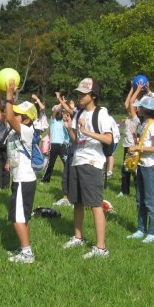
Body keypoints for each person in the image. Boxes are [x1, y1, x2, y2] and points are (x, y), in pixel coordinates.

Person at [62, 78, 113, 259]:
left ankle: (101, 248)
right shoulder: (78, 114)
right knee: (77, 202)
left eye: (83, 94)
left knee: (95, 204)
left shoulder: (102, 114)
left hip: (92, 163)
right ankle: (78, 237)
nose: (79, 96)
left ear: (93, 95)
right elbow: (77, 140)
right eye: (79, 93)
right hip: (77, 160)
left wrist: (87, 132)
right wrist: (69, 128)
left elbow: (108, 139)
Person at [0, 81, 38, 264]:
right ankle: (24, 249)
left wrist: (10, 96)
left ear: (27, 119)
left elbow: (10, 118)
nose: (14, 115)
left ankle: (27, 254)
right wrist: (0, 91)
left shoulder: (27, 131)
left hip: (24, 180)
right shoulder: (14, 130)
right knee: (21, 217)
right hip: (19, 179)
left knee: (16, 218)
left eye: (19, 114)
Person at [126, 96, 154, 243]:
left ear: (146, 110)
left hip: (150, 167)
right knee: (139, 199)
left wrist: (138, 148)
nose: (137, 108)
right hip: (140, 165)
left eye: (139, 107)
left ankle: (153, 232)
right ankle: (141, 229)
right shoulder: (143, 123)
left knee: (149, 200)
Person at [118, 83, 144, 197]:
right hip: (126, 146)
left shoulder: (135, 119)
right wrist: (131, 89)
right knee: (126, 170)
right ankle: (124, 191)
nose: (130, 106)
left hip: (133, 147)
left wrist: (137, 90)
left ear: (137, 109)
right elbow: (126, 103)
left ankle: (139, 192)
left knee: (133, 170)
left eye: (133, 106)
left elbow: (129, 102)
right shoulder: (129, 117)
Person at [41, 100, 69, 184]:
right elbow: (55, 110)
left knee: (67, 163)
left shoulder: (64, 122)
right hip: (54, 145)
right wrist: (62, 102)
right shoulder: (53, 121)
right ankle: (45, 180)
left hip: (63, 145)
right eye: (59, 112)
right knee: (51, 163)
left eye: (62, 112)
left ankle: (69, 179)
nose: (61, 113)